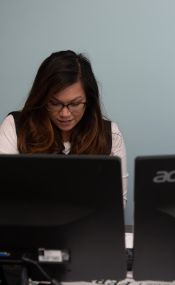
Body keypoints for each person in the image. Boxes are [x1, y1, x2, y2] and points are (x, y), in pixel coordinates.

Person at [0, 50, 128, 206]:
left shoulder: (109, 135)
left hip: (88, 229)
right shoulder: (15, 126)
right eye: (54, 103)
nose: (65, 113)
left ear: (89, 100)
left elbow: (117, 204)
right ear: (42, 98)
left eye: (74, 104)